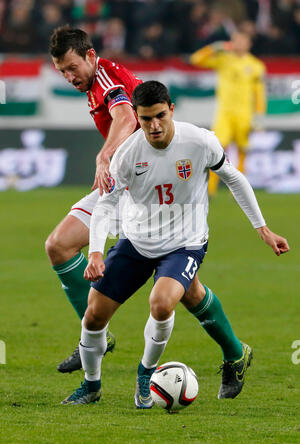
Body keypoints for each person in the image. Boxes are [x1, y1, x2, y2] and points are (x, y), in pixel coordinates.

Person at [61, 81, 289, 407]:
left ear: (171, 109)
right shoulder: (127, 154)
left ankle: (145, 372)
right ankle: (92, 385)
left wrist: (263, 229)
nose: (154, 126)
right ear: (136, 118)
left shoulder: (199, 141)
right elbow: (106, 205)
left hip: (185, 242)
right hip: (137, 240)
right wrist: (96, 252)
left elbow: (234, 178)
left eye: (159, 116)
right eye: (145, 119)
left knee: (162, 301)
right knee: (94, 315)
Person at [46, 25, 142, 373]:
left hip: (148, 192)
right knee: (58, 245)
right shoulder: (94, 82)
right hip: (121, 187)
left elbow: (126, 115)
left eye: (73, 68)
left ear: (90, 55)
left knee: (186, 290)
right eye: (62, 72)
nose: (69, 77)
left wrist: (104, 157)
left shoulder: (104, 77)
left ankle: (234, 351)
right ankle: (94, 336)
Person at [190, 30, 266, 197]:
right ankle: (210, 190)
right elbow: (196, 59)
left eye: (242, 40)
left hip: (244, 114)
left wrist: (259, 118)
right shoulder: (224, 59)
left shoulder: (256, 66)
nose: (238, 43)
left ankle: (240, 191)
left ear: (249, 43)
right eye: (235, 40)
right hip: (224, 113)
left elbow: (259, 94)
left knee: (242, 150)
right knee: (217, 149)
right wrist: (215, 47)